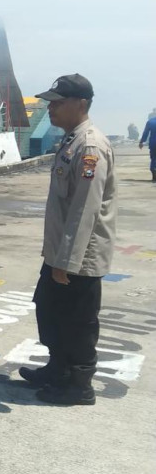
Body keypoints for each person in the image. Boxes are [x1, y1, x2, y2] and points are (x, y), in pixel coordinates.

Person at [19, 73, 116, 406]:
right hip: (59, 251)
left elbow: (85, 209)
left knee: (77, 321)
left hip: (78, 257)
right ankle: (57, 369)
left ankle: (78, 385)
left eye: (58, 103)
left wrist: (67, 262)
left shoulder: (90, 147)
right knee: (49, 310)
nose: (51, 109)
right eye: (50, 103)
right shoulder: (71, 140)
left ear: (81, 104)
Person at [139, 113, 156, 182]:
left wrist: (141, 142)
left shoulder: (150, 122)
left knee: (153, 159)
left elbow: (145, 133)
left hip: (153, 144)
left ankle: (154, 176)